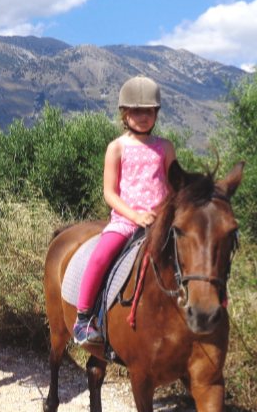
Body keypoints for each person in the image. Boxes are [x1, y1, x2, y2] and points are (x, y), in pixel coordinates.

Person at [73, 75, 178, 345]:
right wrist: (135, 216)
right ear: (125, 113)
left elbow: (173, 185)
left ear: (156, 113)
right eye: (137, 111)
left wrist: (166, 212)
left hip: (161, 221)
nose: (144, 116)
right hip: (126, 221)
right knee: (100, 256)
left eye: (149, 111)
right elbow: (109, 192)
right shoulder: (116, 147)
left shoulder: (165, 147)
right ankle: (83, 319)